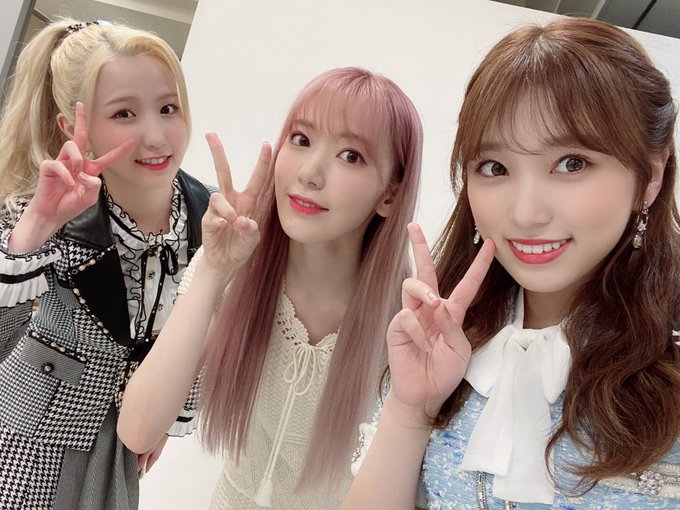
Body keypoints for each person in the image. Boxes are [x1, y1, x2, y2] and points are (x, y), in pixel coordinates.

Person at [343, 17, 680, 510]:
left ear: (649, 177)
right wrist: (410, 410)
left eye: (571, 163)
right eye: (495, 167)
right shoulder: (448, 339)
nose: (525, 214)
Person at [117, 66, 423, 508]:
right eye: (301, 139)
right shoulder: (238, 270)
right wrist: (214, 270)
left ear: (390, 195)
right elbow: (137, 430)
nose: (311, 173)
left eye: (351, 155)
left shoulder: (405, 326)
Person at [0, 18, 211, 510]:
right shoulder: (40, 210)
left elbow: (204, 329)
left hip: (120, 440)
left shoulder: (206, 214)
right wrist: (36, 228)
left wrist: (170, 414)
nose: (156, 135)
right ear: (73, 128)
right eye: (124, 114)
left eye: (168, 108)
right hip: (27, 441)